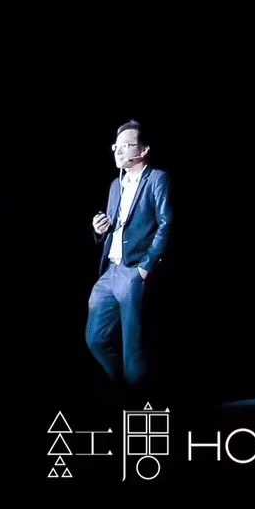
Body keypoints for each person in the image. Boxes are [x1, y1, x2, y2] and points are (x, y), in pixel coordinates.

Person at [87, 121, 173, 391]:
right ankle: (122, 390)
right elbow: (116, 225)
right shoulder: (116, 184)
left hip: (134, 271)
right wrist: (100, 230)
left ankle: (138, 400)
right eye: (116, 146)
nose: (119, 151)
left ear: (143, 150)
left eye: (127, 145)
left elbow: (167, 224)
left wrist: (146, 267)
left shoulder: (157, 179)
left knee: (133, 348)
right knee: (95, 339)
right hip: (110, 271)